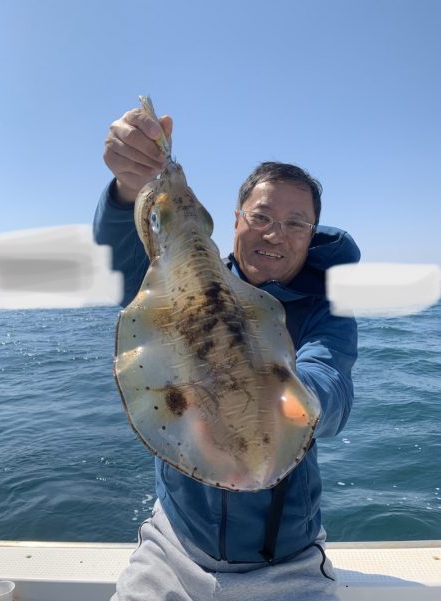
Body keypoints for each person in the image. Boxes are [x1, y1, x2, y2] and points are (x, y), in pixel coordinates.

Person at [93, 105, 360, 601]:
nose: (275, 233)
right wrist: (129, 188)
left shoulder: (328, 307)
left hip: (288, 561)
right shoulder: (182, 283)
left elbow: (332, 380)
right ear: (236, 219)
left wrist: (290, 399)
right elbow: (126, 261)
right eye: (261, 216)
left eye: (295, 223)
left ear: (312, 234)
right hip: (172, 548)